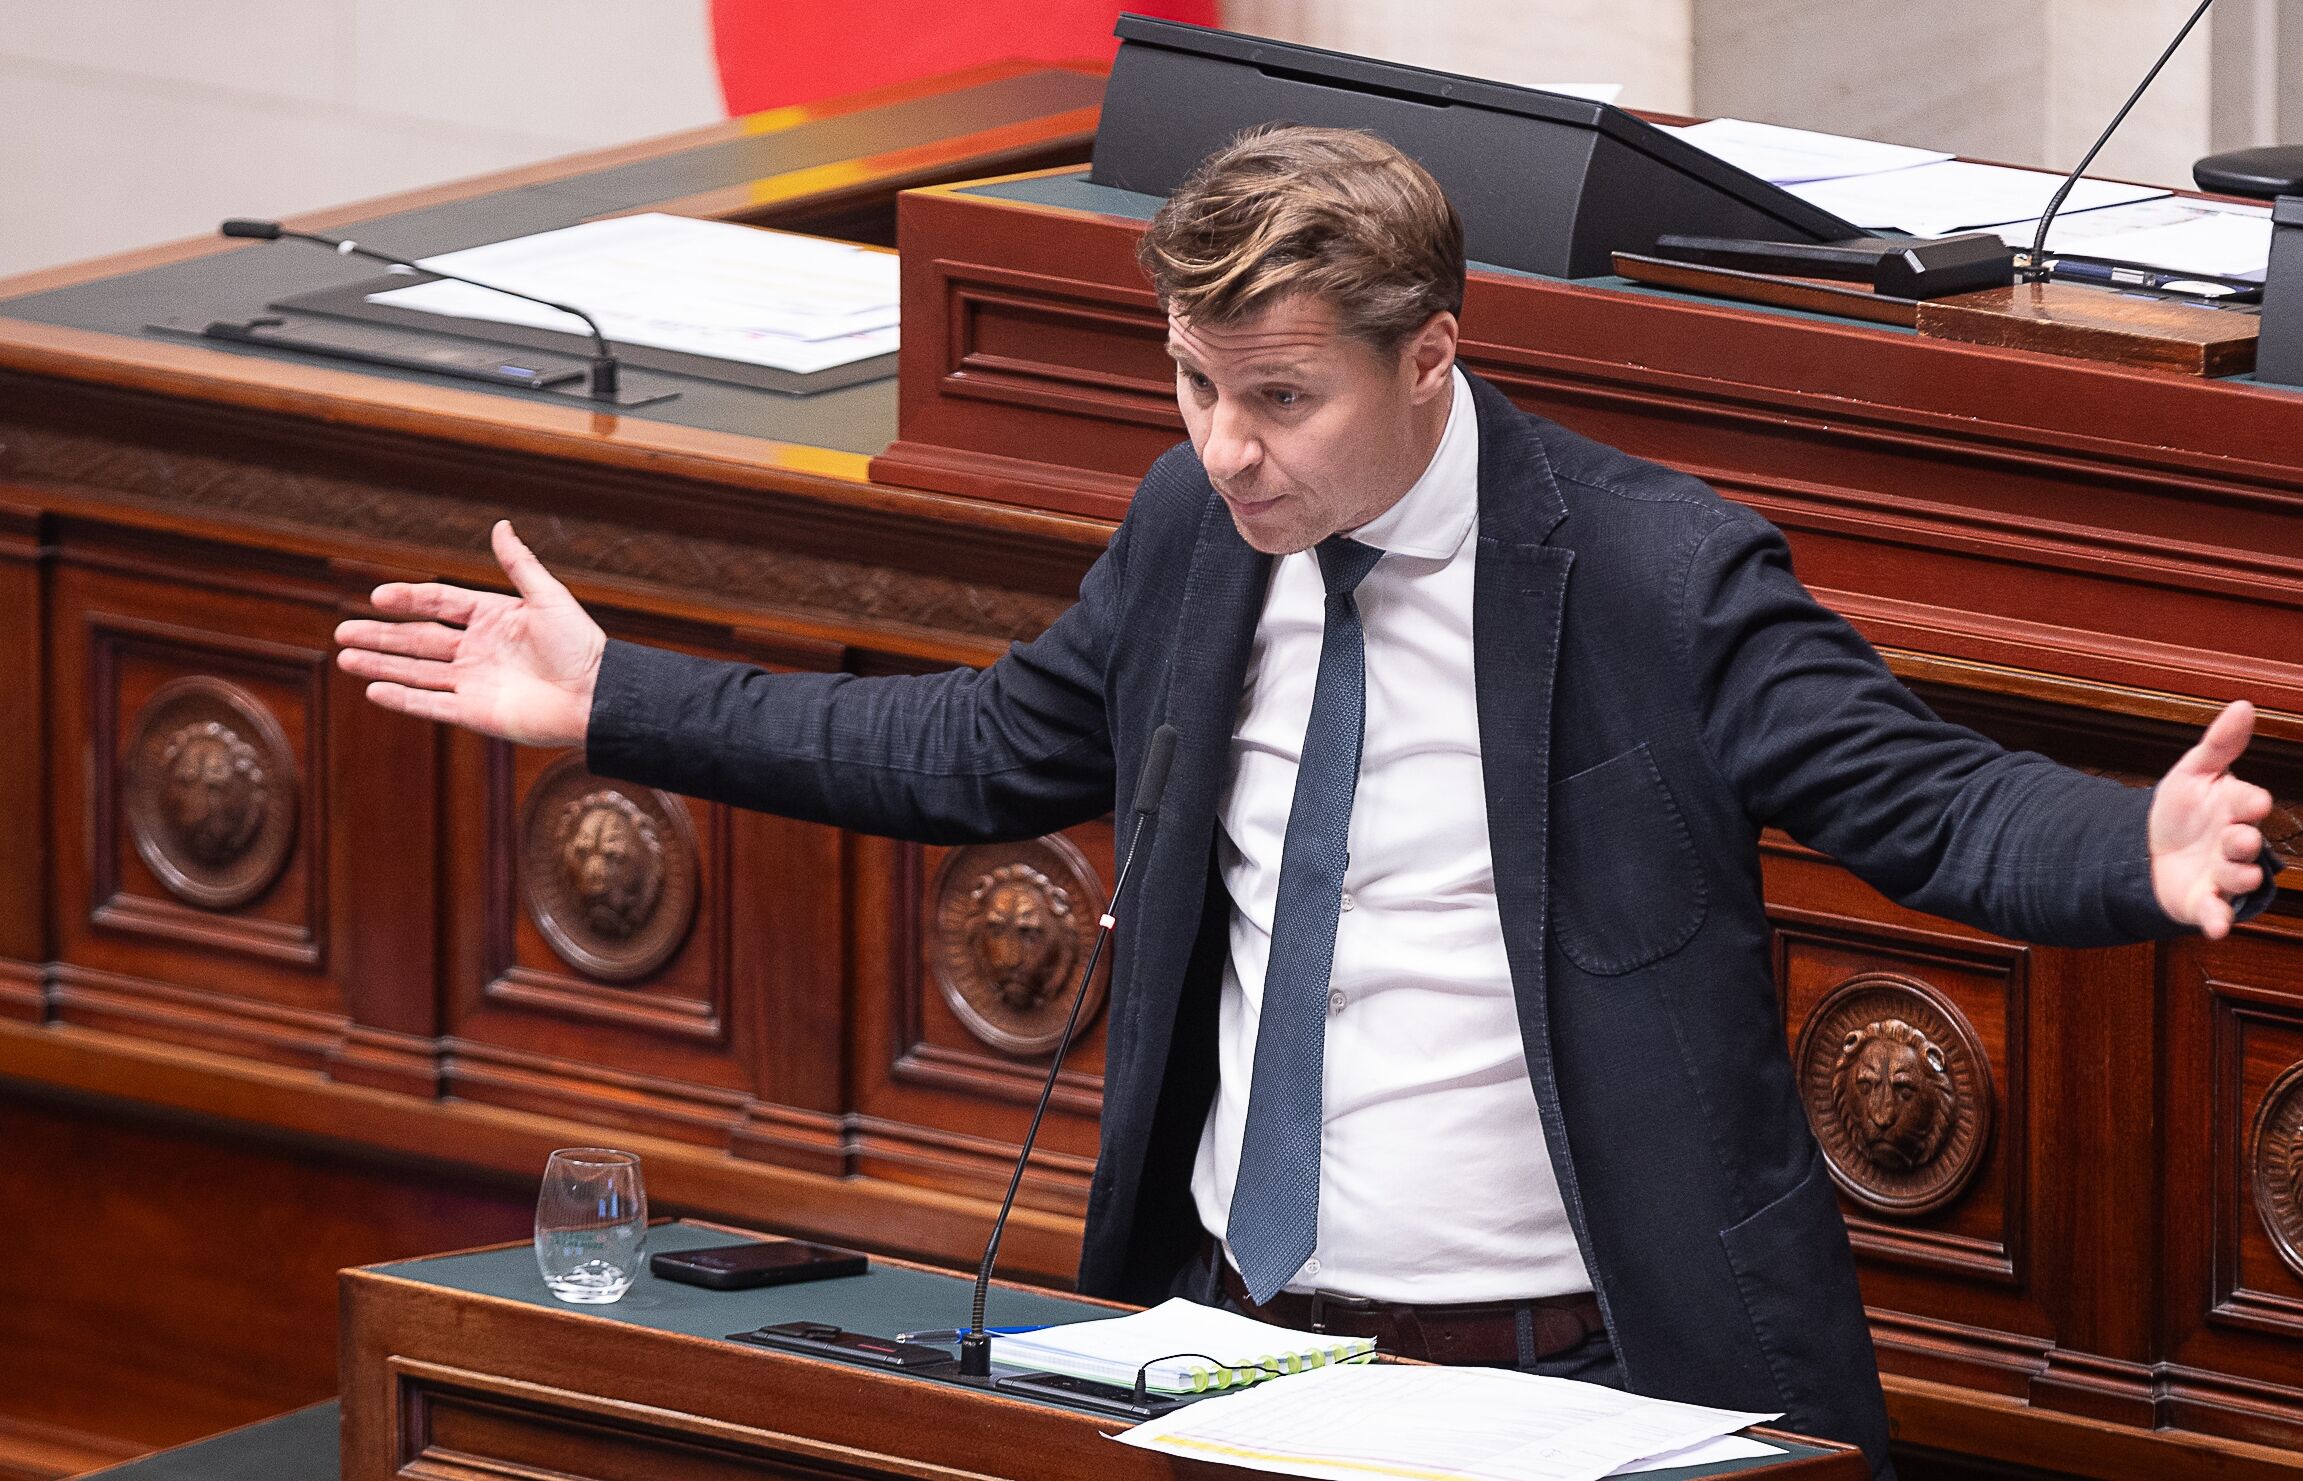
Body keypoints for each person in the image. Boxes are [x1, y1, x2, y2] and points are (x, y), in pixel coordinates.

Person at [335, 127, 2275, 1477]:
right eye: (1194, 385)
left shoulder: (1651, 574)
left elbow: (1924, 801)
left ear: (1432, 357)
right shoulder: (1199, 534)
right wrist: (618, 700)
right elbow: (985, 746)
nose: (1226, 448)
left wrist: (2135, 847)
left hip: (1584, 1387)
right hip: (1238, 1352)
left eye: (1280, 398)